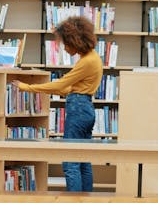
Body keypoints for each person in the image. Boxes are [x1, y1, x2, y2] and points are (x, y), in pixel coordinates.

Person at [13, 15, 103, 192]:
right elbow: (72, 88)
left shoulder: (87, 62)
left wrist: (28, 87)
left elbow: (62, 84)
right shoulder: (93, 58)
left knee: (70, 161)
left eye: (66, 43)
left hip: (78, 110)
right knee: (83, 160)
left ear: (75, 41)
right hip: (85, 107)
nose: (64, 47)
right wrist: (61, 90)